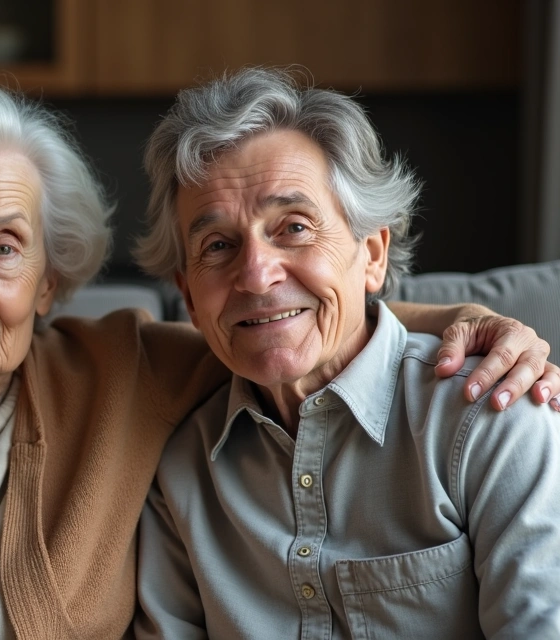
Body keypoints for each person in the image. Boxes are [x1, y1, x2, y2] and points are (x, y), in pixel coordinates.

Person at [0, 79, 556, 639]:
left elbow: (286, 325)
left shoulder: (120, 380)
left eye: (4, 248)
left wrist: (470, 317)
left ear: (50, 282)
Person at [134, 67, 560, 639]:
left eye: (294, 227)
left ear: (373, 254)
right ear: (187, 296)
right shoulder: (181, 471)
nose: (257, 276)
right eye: (217, 245)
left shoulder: (491, 415)